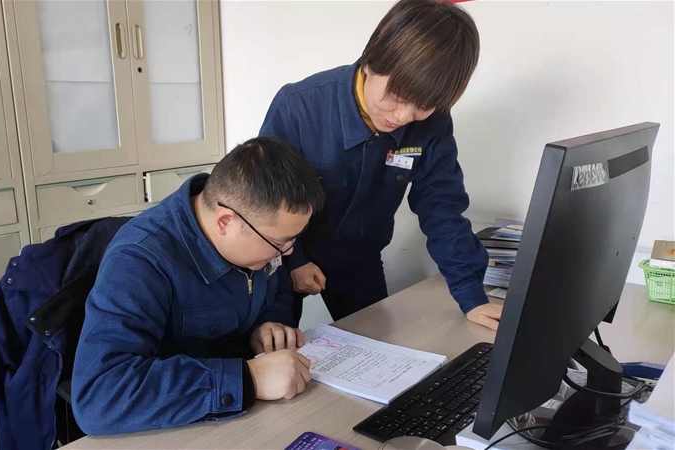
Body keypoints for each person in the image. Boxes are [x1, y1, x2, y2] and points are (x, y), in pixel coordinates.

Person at [259, 0, 502, 330]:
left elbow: (442, 208)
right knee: (277, 347)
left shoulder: (433, 125)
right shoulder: (299, 106)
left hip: (360, 260)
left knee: (377, 344)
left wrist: (471, 296)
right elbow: (265, 201)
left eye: (423, 106)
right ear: (372, 60)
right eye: (397, 97)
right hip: (281, 257)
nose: (402, 116)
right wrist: (295, 260)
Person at [71, 137, 325, 435]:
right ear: (225, 222)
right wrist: (248, 378)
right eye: (279, 243)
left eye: (293, 240)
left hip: (248, 418)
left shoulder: (257, 236)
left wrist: (268, 325)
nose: (288, 253)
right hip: (174, 428)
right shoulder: (139, 260)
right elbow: (99, 397)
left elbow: (275, 287)